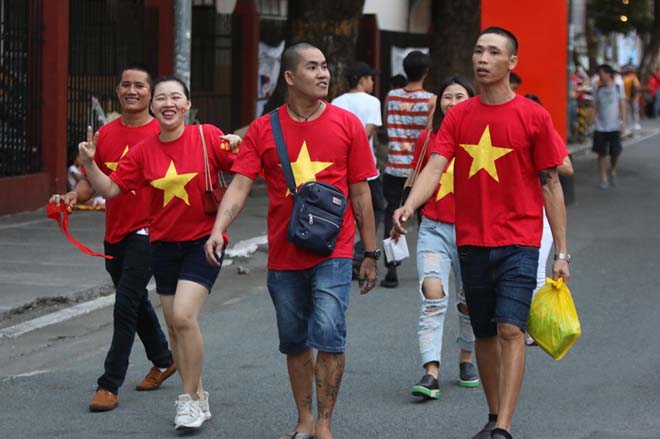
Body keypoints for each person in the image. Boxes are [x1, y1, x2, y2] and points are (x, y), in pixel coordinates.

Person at [393, 27, 570, 439]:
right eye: (478, 51)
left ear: (512, 62)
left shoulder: (533, 116)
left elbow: (550, 183)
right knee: (486, 332)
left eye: (493, 52)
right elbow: (435, 166)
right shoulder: (458, 115)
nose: (482, 58)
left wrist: (561, 251)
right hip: (470, 239)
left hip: (519, 240)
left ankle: (504, 427)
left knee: (511, 328)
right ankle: (493, 415)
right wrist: (409, 204)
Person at [204, 42, 378, 439]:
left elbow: (361, 193)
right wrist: (218, 228)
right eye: (312, 67)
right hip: (284, 253)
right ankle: (302, 420)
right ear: (289, 77)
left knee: (330, 332)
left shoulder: (347, 124)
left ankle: (324, 424)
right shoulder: (265, 128)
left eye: (325, 67)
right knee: (295, 341)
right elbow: (240, 185)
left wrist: (369, 252)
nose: (323, 74)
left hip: (333, 249)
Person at [78, 76, 239, 431]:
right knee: (174, 328)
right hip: (163, 245)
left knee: (183, 317)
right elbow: (110, 189)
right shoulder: (144, 150)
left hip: (203, 241)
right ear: (154, 107)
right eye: (162, 98)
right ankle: (199, 392)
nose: (168, 103)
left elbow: (244, 170)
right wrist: (90, 163)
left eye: (175, 97)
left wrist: (238, 143)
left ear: (186, 105)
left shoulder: (207, 136)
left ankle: (188, 402)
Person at [50, 67, 176, 413]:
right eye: (126, 85)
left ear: (150, 93)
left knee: (124, 305)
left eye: (140, 85)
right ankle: (164, 359)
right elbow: (90, 184)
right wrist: (74, 196)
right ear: (117, 90)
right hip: (115, 233)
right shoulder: (104, 134)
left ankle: (108, 385)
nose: (132, 90)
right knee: (134, 302)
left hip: (151, 232)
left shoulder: (164, 133)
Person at [405, 77, 480, 401]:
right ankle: (430, 371)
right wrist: (406, 209)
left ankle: (466, 356)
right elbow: (419, 178)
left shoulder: (482, 138)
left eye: (459, 96)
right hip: (433, 227)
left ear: (471, 100)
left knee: (469, 303)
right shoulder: (427, 138)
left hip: (473, 231)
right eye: (446, 96)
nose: (452, 101)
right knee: (432, 294)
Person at [523, 94, 574, 346]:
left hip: (541, 210)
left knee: (536, 269)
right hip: (516, 209)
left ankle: (534, 327)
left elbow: (567, 167)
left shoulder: (546, 132)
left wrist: (538, 159)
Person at [382, 50, 435, 288]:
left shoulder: (391, 96)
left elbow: (387, 122)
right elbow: (429, 132)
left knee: (390, 214)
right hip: (419, 171)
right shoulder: (431, 100)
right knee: (426, 218)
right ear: (426, 72)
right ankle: (429, 267)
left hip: (394, 167)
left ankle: (391, 267)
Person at [332, 61, 385, 277]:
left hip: (339, 167)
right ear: (362, 80)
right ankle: (358, 251)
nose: (372, 82)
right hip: (366, 168)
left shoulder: (336, 101)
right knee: (376, 207)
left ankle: (341, 252)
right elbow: (367, 132)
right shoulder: (372, 102)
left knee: (342, 211)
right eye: (370, 78)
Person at [593, 64, 626, 190]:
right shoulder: (598, 88)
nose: (600, 76)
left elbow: (622, 104)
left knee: (615, 152)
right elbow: (595, 105)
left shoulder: (618, 87)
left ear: (608, 74)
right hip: (600, 126)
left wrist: (623, 122)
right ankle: (603, 177)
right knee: (601, 153)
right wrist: (592, 121)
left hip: (614, 126)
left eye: (601, 73)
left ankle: (612, 169)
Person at [622, 65, 641, 135]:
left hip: (632, 97)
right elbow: (637, 87)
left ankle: (634, 123)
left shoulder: (631, 78)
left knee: (632, 111)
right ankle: (633, 124)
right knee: (632, 111)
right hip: (629, 97)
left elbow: (637, 86)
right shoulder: (631, 78)